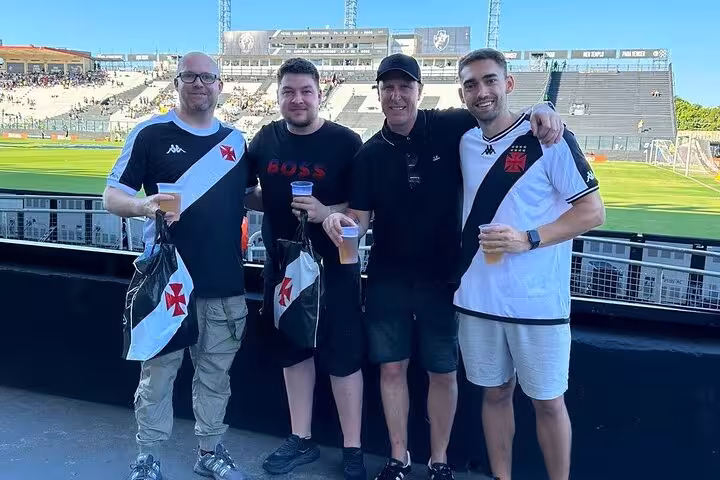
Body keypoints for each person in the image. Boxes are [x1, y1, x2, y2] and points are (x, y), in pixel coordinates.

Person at [323, 53, 564, 480]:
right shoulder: (368, 155)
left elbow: (497, 116)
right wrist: (337, 220)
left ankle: (438, 460)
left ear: (419, 91)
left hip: (447, 279)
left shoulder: (453, 125)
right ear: (377, 94)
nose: (396, 96)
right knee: (392, 367)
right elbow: (359, 222)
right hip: (388, 278)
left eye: (405, 87)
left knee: (443, 371)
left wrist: (541, 110)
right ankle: (398, 457)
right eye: (388, 88)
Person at [454, 48, 605, 480]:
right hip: (476, 297)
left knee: (548, 402)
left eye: (489, 80)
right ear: (462, 92)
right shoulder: (464, 139)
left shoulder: (549, 136)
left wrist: (529, 238)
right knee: (495, 394)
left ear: (509, 85)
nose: (481, 92)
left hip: (537, 303)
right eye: (470, 84)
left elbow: (593, 212)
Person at [104, 52, 253, 480]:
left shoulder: (237, 143)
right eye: (190, 76)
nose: (199, 84)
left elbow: (252, 195)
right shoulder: (151, 133)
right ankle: (147, 457)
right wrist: (141, 204)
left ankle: (210, 451)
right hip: (166, 284)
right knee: (157, 377)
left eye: (208, 77)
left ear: (220, 85)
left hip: (224, 283)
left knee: (215, 375)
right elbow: (112, 197)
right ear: (177, 82)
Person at [245, 58, 367, 480]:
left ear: (320, 93)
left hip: (335, 265)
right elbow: (252, 192)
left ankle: (352, 447)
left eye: (305, 92)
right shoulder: (265, 138)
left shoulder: (346, 142)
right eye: (288, 92)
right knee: (294, 350)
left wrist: (325, 211)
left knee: (342, 354)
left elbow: (365, 211)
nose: (297, 100)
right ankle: (302, 438)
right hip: (284, 266)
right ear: (278, 95)